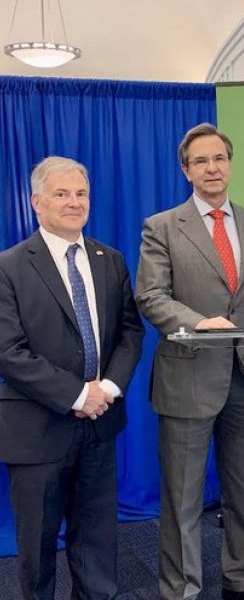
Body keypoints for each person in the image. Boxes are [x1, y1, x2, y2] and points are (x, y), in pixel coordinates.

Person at [135, 123, 244, 600]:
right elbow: (151, 296)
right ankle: (182, 589)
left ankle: (242, 580)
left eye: (218, 158)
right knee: (182, 499)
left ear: (230, 163)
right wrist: (200, 322)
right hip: (188, 377)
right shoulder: (162, 227)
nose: (211, 168)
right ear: (186, 170)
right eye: (200, 161)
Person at [0, 156, 144, 599]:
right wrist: (79, 394)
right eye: (61, 194)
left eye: (80, 194)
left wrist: (109, 389)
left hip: (100, 426)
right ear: (36, 203)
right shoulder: (9, 266)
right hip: (38, 430)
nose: (74, 202)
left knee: (97, 540)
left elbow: (130, 332)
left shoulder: (110, 259)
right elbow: (8, 351)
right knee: (38, 546)